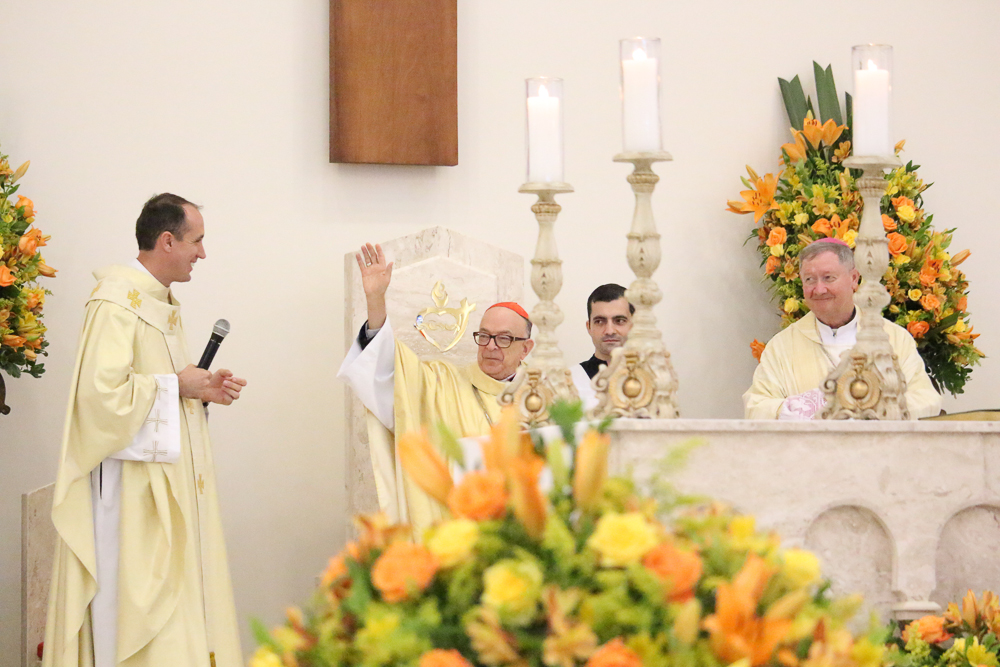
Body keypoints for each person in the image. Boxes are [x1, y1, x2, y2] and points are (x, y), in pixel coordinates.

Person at [44, 194, 247, 667]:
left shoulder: (156, 304)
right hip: (133, 497)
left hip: (168, 489)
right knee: (139, 617)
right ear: (167, 240)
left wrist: (197, 391)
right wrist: (176, 384)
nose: (203, 254)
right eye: (197, 242)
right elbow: (100, 399)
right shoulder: (117, 303)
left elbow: (155, 389)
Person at [337, 243, 534, 528]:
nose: (491, 347)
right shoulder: (444, 382)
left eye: (503, 339)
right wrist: (376, 300)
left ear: (526, 348)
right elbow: (389, 371)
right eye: (484, 336)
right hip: (454, 525)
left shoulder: (541, 396)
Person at [743, 238, 941, 420]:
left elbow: (926, 400)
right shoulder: (782, 346)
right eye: (809, 280)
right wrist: (792, 409)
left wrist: (876, 409)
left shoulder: (894, 339)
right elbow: (756, 405)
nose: (819, 289)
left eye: (828, 277)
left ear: (854, 279)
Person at [570, 284, 634, 410]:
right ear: (589, 327)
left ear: (633, 325)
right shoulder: (569, 382)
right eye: (600, 321)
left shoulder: (652, 379)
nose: (609, 331)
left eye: (619, 321)